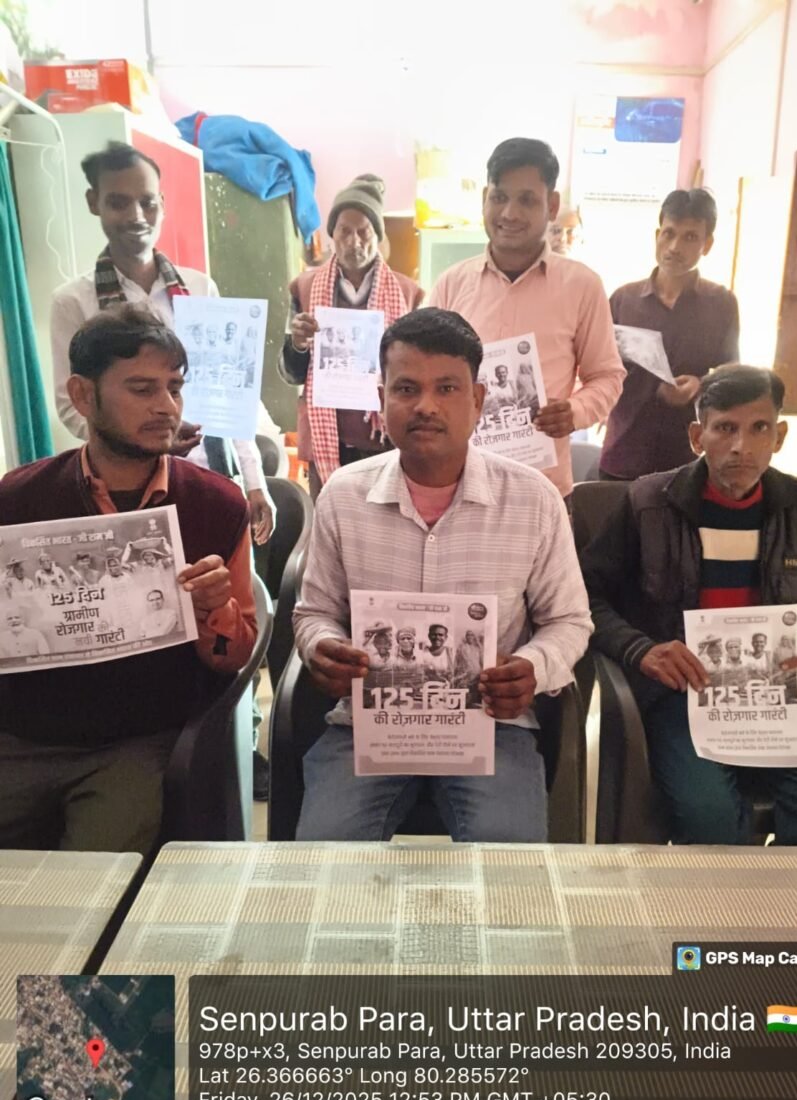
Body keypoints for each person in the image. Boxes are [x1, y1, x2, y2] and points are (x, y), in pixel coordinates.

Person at [291, 307, 593, 842]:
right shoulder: (343, 495)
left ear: (477, 400)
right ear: (381, 397)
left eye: (447, 388)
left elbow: (569, 621)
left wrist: (533, 667)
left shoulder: (534, 500)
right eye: (406, 388)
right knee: (324, 860)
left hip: (490, 726)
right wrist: (322, 646)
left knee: (508, 865)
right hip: (371, 725)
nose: (426, 406)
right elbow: (314, 611)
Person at [0, 307, 257, 854]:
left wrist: (215, 610)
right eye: (142, 389)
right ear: (82, 395)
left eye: (174, 388)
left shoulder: (215, 504)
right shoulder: (16, 501)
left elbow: (233, 658)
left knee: (95, 875)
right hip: (21, 735)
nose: (166, 406)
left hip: (137, 739)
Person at [581, 364, 797, 845]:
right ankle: (722, 894)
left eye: (759, 428)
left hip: (782, 702)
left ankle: (788, 894)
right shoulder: (647, 504)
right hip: (683, 699)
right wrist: (641, 650)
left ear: (779, 436)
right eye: (725, 428)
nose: (741, 447)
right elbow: (584, 596)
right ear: (697, 436)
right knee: (706, 814)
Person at [49, 141, 274, 546]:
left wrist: (255, 480)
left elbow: (230, 390)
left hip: (213, 475)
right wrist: (148, 437)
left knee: (223, 579)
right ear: (93, 202)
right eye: (119, 202)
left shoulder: (199, 287)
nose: (136, 216)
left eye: (147, 202)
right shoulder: (74, 302)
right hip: (126, 489)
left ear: (163, 204)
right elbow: (72, 405)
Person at [429, 138, 624, 508]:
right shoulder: (451, 285)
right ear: (484, 198)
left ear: (552, 205)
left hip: (543, 491)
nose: (510, 213)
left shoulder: (582, 286)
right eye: (500, 197)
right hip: (458, 486)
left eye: (527, 200)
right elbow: (425, 372)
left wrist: (574, 412)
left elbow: (607, 376)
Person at [280, 174, 425, 499]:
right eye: (344, 231)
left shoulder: (407, 293)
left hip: (385, 443)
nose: (354, 241)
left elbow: (417, 371)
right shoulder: (304, 288)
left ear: (378, 237)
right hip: (327, 441)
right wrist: (298, 344)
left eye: (364, 232)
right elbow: (290, 374)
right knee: (332, 522)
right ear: (332, 235)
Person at [600, 189, 740, 481]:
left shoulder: (721, 304)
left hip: (686, 456)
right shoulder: (623, 300)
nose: (675, 247)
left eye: (690, 237)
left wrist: (700, 386)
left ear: (707, 244)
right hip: (624, 451)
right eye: (669, 234)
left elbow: (731, 375)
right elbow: (599, 367)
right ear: (657, 236)